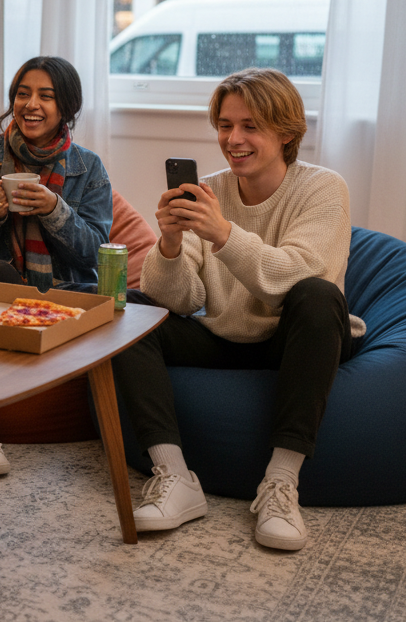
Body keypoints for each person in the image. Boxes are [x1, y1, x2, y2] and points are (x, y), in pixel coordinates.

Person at [111, 67, 364, 551]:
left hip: (301, 338)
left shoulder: (323, 188)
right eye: (225, 125)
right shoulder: (208, 192)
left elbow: (291, 278)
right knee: (131, 312)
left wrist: (221, 234)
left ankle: (281, 485)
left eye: (250, 126)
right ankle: (175, 474)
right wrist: (168, 241)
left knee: (317, 294)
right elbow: (179, 300)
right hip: (227, 334)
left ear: (287, 132)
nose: (234, 139)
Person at [0, 55, 113, 475]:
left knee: (108, 303)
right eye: (22, 93)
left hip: (56, 293)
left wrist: (56, 210)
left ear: (67, 108)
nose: (31, 104)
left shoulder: (88, 170)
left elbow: (96, 255)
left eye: (46, 96)